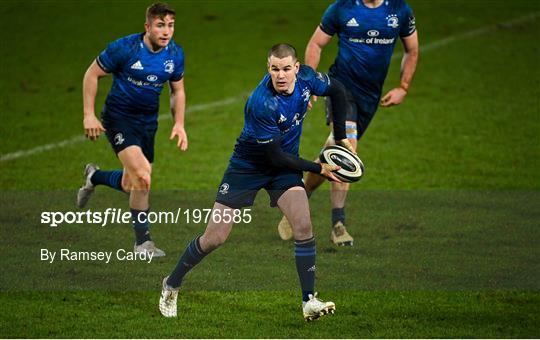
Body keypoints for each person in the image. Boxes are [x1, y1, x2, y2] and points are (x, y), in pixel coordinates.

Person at [159, 43, 353, 321]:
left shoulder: (307, 79)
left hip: (283, 166)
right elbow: (274, 156)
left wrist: (340, 136)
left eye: (287, 68)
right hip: (248, 167)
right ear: (268, 69)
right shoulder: (261, 103)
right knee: (215, 238)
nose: (281, 75)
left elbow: (337, 89)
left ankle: (308, 300)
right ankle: (171, 283)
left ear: (297, 68)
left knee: (303, 225)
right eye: (275, 69)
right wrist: (318, 167)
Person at [277, 0, 419, 246]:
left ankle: (299, 199)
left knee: (331, 152)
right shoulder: (342, 8)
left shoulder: (399, 10)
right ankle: (338, 224)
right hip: (340, 89)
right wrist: (310, 83)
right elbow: (316, 43)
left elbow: (412, 50)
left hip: (370, 97)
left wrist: (403, 86)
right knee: (346, 149)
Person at [77, 2, 187, 257]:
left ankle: (94, 177)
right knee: (143, 177)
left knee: (132, 184)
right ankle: (142, 243)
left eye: (170, 25)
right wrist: (88, 115)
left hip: (148, 124)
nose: (166, 31)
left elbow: (177, 90)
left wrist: (179, 123)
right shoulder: (124, 48)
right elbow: (91, 74)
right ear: (147, 26)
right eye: (160, 25)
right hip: (119, 118)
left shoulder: (175, 54)